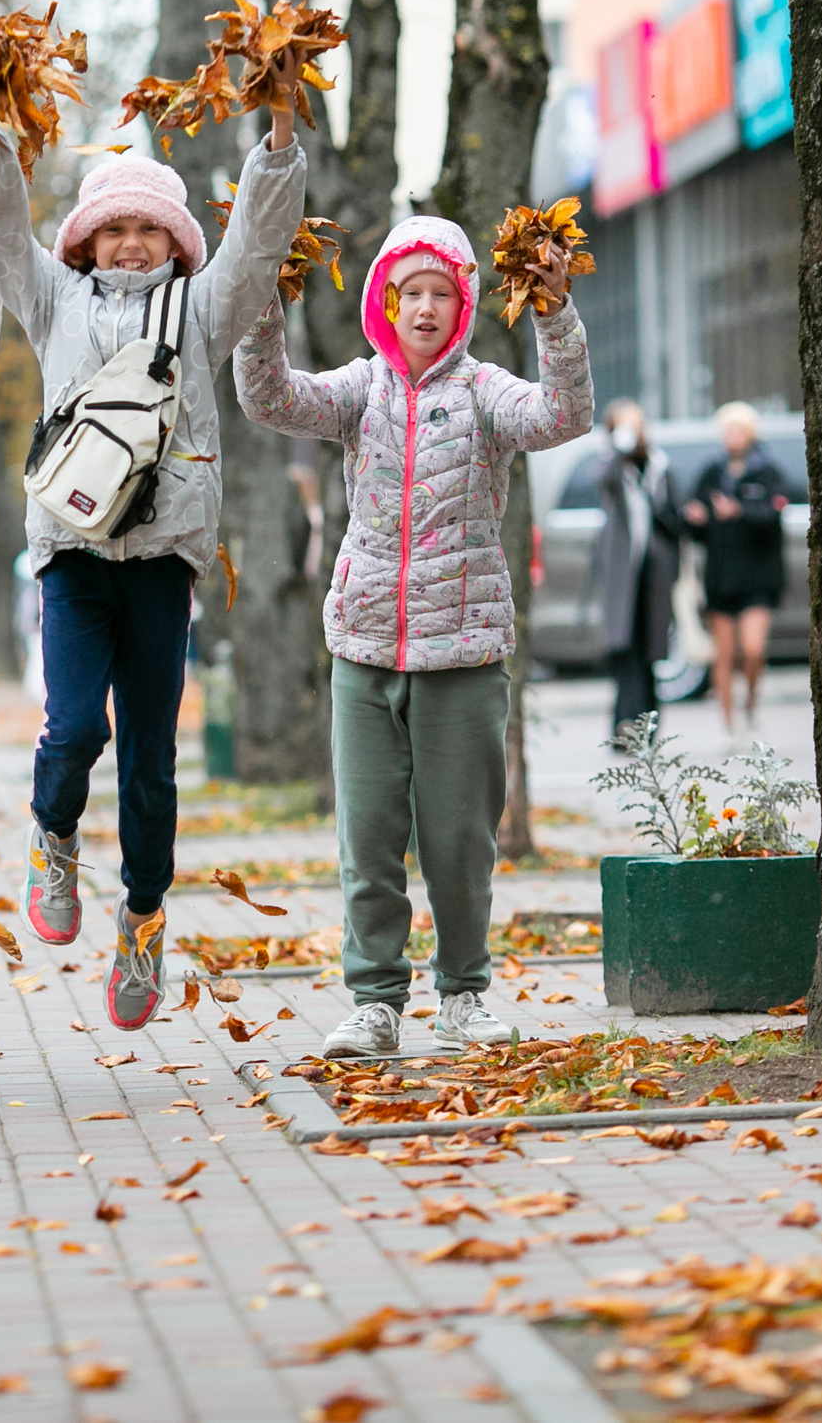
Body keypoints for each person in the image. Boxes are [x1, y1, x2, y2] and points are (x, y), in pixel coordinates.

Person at [0, 98, 306, 1030]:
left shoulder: (204, 306)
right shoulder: (51, 297)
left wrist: (275, 149)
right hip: (71, 549)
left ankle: (144, 914)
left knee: (151, 759)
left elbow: (259, 251)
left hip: (160, 559)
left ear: (178, 240)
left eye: (151, 228)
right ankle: (53, 835)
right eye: (116, 227)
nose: (133, 243)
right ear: (86, 241)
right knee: (74, 730)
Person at [233, 217, 592, 1058]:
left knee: (461, 842)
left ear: (464, 304)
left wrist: (555, 315)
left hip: (461, 655)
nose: (425, 307)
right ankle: (375, 1003)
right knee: (367, 838)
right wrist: (261, 309)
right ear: (385, 302)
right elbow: (269, 398)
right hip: (363, 651)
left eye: (442, 293)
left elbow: (563, 415)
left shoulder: (486, 393)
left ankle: (464, 993)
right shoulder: (361, 390)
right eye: (411, 292)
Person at [681, 401, 795, 732]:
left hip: (759, 575)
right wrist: (697, 519)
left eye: (738, 430)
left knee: (754, 648)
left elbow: (774, 515)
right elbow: (692, 517)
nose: (732, 437)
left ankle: (751, 700)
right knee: (724, 654)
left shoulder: (767, 472)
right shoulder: (711, 472)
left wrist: (739, 511)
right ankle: (728, 722)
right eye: (727, 430)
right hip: (720, 576)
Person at [590, 399, 679, 742]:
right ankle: (624, 723)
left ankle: (648, 729)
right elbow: (604, 480)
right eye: (623, 424)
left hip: (655, 570)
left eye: (635, 423)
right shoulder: (612, 464)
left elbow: (674, 515)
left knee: (651, 651)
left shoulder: (659, 465)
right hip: (622, 572)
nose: (632, 430)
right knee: (624, 649)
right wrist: (619, 444)